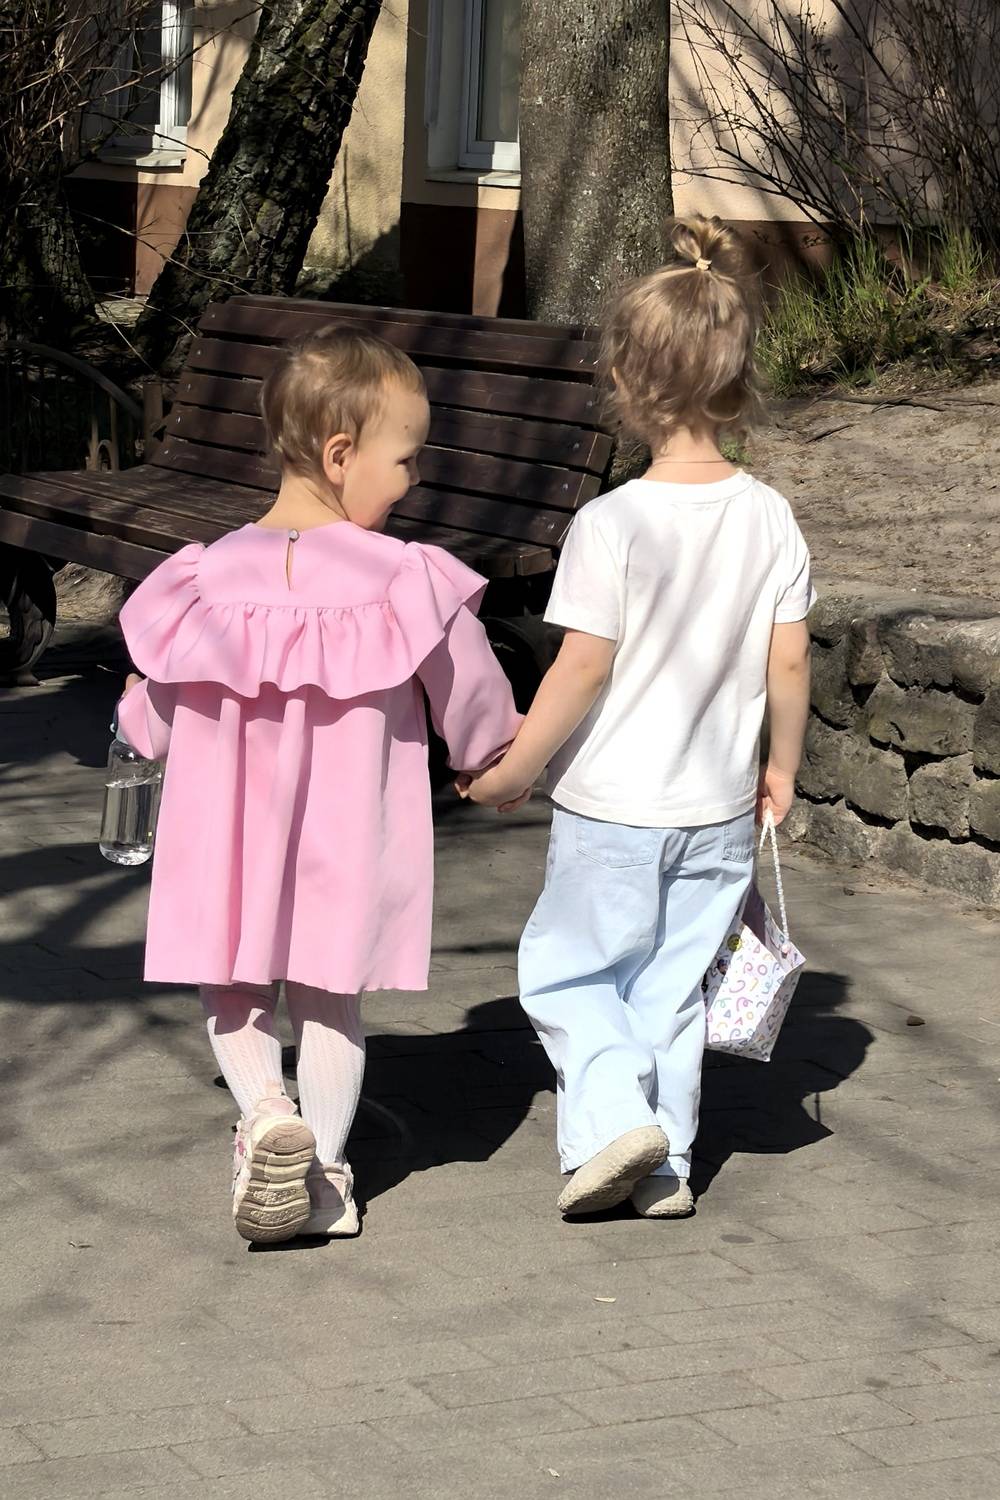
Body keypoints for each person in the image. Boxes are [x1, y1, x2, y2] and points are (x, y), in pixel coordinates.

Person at [116, 326, 521, 1243]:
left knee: (232, 987)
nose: (412, 479)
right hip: (346, 828)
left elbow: (158, 714)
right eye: (404, 460)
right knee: (332, 994)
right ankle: (328, 1176)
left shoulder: (203, 579)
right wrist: (492, 757)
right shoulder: (402, 578)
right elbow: (470, 689)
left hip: (226, 831)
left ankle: (266, 1114)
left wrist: (134, 715)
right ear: (342, 456)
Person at [463, 214, 814, 1220]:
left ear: (625, 381)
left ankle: (616, 1119)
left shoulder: (609, 523)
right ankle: (667, 1169)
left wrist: (515, 767)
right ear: (739, 381)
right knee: (670, 987)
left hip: (613, 806)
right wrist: (781, 765)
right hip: (717, 807)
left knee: (570, 974)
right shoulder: (769, 515)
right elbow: (788, 657)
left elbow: (581, 667)